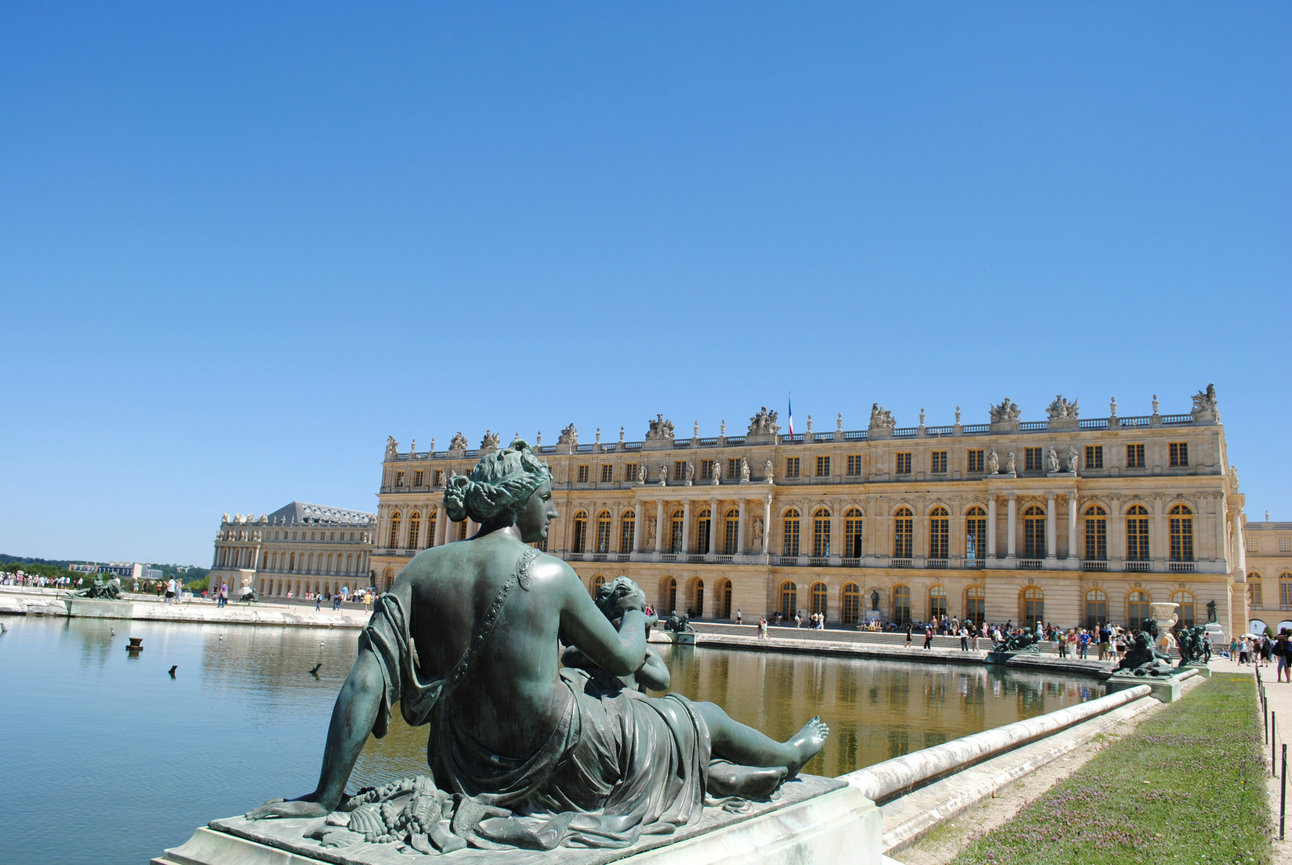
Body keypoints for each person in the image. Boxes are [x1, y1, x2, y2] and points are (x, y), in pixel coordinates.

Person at [249, 439, 827, 850]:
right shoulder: (547, 572)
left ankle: (726, 775)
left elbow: (365, 681)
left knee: (636, 714)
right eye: (546, 496)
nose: (554, 508)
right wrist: (633, 614)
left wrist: (329, 793)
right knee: (692, 716)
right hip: (560, 754)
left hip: (460, 762)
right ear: (517, 500)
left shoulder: (421, 570)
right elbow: (629, 661)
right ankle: (786, 754)